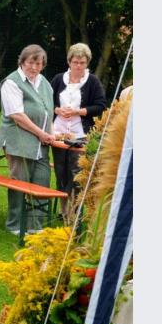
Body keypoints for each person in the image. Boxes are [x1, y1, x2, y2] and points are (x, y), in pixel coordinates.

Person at [0, 44, 55, 235]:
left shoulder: (45, 83)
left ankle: (35, 226)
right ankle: (15, 224)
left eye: (39, 64)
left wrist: (51, 134)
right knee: (20, 183)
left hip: (41, 143)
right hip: (18, 140)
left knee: (42, 181)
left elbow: (48, 113)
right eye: (31, 62)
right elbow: (17, 116)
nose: (34, 67)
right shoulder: (11, 82)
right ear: (22, 62)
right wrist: (41, 133)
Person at [50, 43, 107, 214]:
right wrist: (57, 110)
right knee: (61, 172)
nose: (78, 66)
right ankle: (63, 211)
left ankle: (75, 213)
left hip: (81, 135)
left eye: (82, 62)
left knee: (76, 174)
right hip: (58, 133)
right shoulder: (58, 79)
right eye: (75, 62)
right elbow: (46, 101)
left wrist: (77, 111)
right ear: (69, 62)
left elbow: (101, 106)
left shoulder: (93, 81)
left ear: (87, 63)